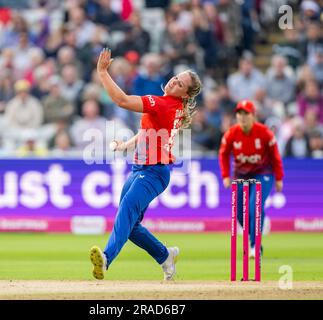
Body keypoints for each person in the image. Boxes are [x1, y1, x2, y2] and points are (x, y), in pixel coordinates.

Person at [90, 48, 202, 280]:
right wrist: (125, 146)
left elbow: (121, 100)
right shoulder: (171, 107)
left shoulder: (163, 104)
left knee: (126, 211)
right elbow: (148, 132)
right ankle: (165, 256)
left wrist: (102, 72)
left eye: (180, 84)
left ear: (185, 95)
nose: (174, 81)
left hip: (153, 172)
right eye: (176, 77)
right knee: (129, 225)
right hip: (140, 169)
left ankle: (107, 259)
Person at [218, 100, 284, 257]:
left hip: (263, 174)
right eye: (239, 113)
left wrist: (279, 178)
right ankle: (255, 231)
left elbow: (275, 156)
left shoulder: (264, 132)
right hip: (241, 175)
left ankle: (255, 244)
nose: (242, 117)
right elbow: (223, 154)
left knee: (254, 206)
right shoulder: (232, 133)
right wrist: (226, 175)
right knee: (240, 213)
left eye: (246, 113)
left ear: (253, 115)